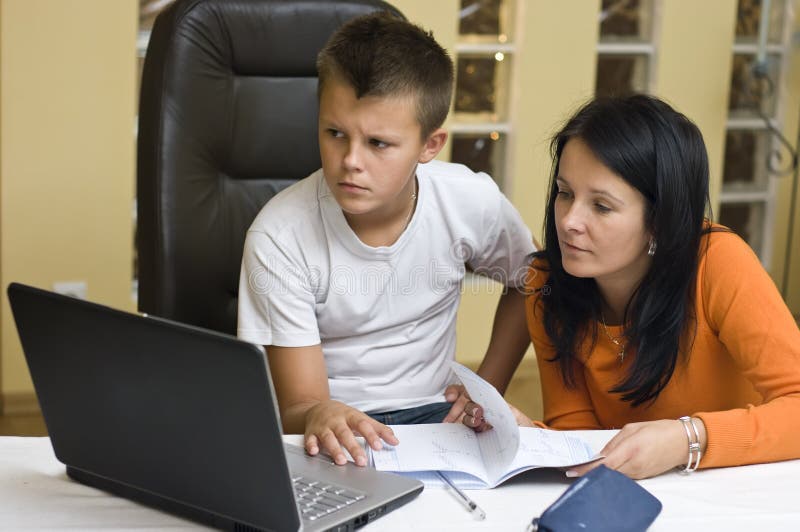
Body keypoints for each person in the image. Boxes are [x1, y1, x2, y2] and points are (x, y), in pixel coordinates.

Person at [237, 12, 535, 468]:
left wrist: (484, 391)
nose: (349, 161)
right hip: (334, 433)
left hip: (440, 420)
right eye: (335, 133)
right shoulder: (279, 237)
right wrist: (319, 413)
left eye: (378, 143)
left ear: (430, 146)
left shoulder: (469, 200)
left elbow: (530, 279)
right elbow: (298, 409)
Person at [477, 94, 800, 479]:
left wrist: (687, 439)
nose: (568, 221)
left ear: (660, 221)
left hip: (739, 493)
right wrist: (533, 437)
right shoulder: (545, 283)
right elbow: (579, 433)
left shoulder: (718, 262)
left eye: (601, 206)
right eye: (565, 193)